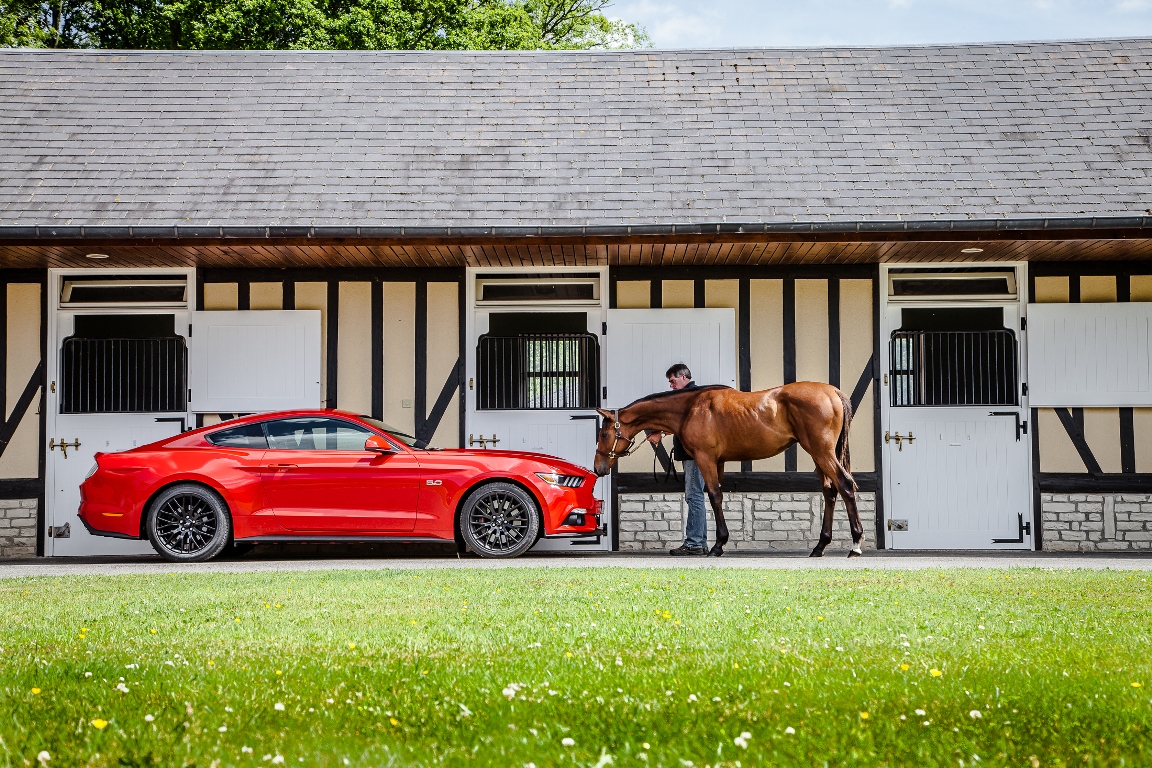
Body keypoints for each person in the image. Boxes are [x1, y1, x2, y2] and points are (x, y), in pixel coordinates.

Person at [646, 363, 708, 556]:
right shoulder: (690, 396)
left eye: (673, 381)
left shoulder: (691, 396)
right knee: (695, 495)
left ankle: (694, 543)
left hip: (694, 454)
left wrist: (660, 433)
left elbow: (684, 423)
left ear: (683, 377)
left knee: (694, 495)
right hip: (691, 454)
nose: (671, 385)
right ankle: (699, 542)